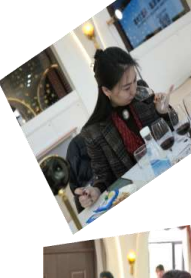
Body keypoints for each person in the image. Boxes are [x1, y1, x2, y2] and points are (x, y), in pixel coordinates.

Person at [74, 47, 174, 209]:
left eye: (134, 80)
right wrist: (95, 190)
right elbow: (104, 177)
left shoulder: (143, 94)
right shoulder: (93, 132)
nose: (133, 90)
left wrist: (163, 112)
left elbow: (170, 132)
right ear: (106, 90)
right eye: (126, 88)